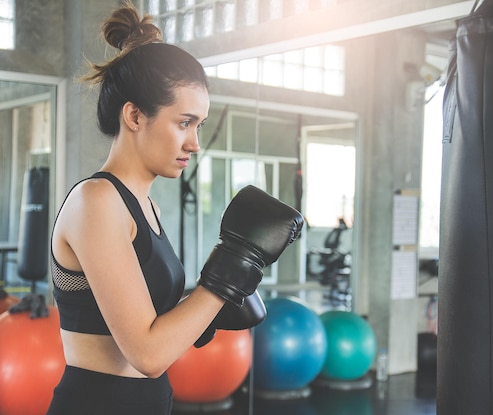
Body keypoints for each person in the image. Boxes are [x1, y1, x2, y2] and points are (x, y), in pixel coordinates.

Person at [46, 2, 303, 414]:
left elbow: (153, 325)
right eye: (183, 122)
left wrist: (201, 311)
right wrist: (231, 271)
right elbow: (146, 355)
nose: (194, 143)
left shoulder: (146, 208)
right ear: (134, 115)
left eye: (198, 126)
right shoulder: (96, 201)